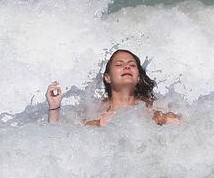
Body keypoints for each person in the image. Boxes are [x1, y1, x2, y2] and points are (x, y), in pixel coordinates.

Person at [46, 49, 179, 126]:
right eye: (119, 64)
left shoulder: (151, 107)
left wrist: (161, 119)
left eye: (132, 65)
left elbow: (180, 123)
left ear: (138, 77)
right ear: (107, 77)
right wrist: (54, 108)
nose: (126, 67)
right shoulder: (94, 109)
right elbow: (61, 136)